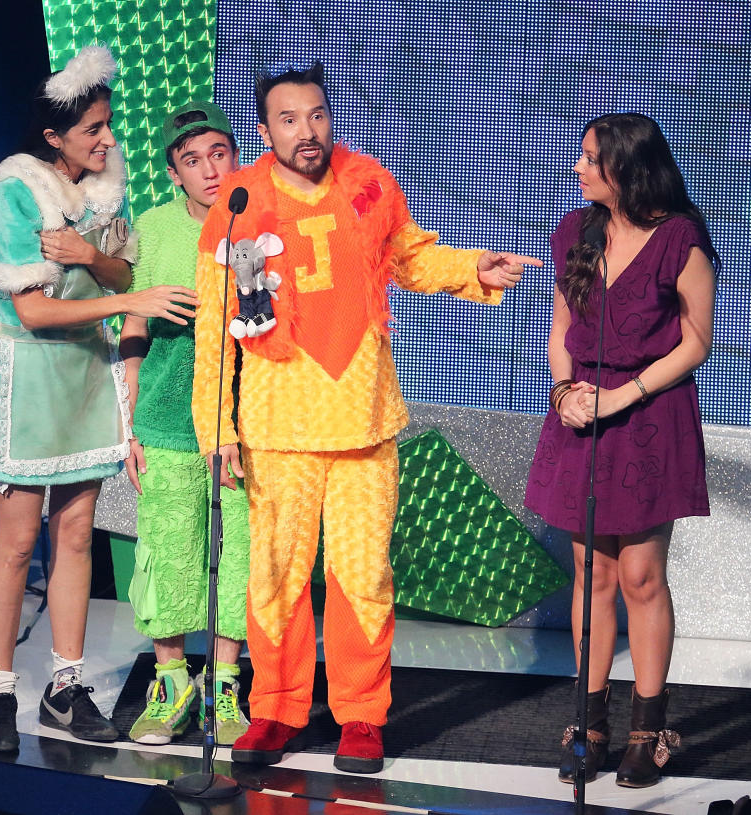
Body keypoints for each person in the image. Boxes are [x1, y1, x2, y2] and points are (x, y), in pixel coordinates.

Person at [190, 62, 540, 773]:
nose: (308, 130)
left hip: (364, 420)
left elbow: (410, 257)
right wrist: (216, 427)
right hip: (276, 425)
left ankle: (360, 714)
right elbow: (213, 324)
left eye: (317, 115)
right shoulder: (241, 199)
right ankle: (277, 709)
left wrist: (476, 268)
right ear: (264, 130)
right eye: (289, 120)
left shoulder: (369, 182)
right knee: (277, 573)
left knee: (362, 574)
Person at [0, 46, 197, 753]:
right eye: (94, 129)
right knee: (18, 538)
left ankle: (65, 687)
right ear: (54, 137)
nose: (109, 139)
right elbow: (30, 311)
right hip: (25, 379)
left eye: (109, 124)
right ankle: (1, 692)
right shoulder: (14, 191)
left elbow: (119, 263)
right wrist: (128, 298)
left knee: (74, 531)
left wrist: (96, 262)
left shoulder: (101, 187)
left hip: (85, 374)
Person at [525, 112, 717, 788]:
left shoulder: (680, 239)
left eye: (588, 159)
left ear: (626, 169)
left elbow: (696, 342)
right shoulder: (577, 232)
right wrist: (562, 391)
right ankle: (591, 721)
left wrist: (622, 395)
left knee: (640, 577)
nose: (576, 169)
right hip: (582, 418)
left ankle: (648, 728)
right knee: (593, 578)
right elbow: (560, 329)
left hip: (648, 418)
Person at [119, 101, 251, 746]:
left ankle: (225, 685)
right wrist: (131, 425)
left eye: (219, 154)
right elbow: (134, 327)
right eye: (191, 160)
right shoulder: (152, 229)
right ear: (174, 172)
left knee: (243, 552)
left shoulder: (265, 221)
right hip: (168, 417)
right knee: (170, 550)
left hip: (250, 419)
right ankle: (171, 681)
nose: (209, 169)